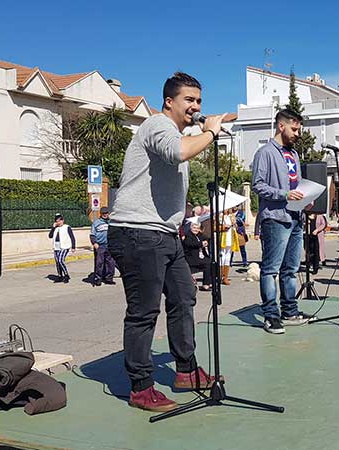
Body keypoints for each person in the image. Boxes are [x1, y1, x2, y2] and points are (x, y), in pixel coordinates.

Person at [107, 72, 225, 412]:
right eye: (189, 100)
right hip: (138, 232)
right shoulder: (157, 126)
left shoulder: (176, 134)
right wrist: (210, 131)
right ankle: (141, 387)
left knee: (183, 297)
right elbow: (177, 153)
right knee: (144, 311)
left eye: (199, 101)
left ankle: (186, 370)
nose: (196, 106)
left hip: (165, 234)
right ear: (169, 101)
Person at [251, 108, 313, 335]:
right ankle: (270, 315)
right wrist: (284, 195)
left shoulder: (294, 155)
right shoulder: (265, 152)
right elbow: (257, 185)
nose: (297, 133)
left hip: (296, 217)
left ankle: (290, 311)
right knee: (271, 270)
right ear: (281, 126)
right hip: (275, 218)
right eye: (294, 129)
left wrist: (304, 199)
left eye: (299, 129)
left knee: (291, 269)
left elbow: (294, 187)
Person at [89, 207, 116, 286]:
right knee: (99, 263)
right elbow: (92, 234)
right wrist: (94, 243)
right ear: (101, 214)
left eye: (106, 213)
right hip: (100, 246)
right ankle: (98, 278)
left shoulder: (111, 223)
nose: (105, 215)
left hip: (109, 245)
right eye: (103, 213)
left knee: (110, 263)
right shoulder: (96, 223)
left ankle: (109, 278)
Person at [183, 221, 212, 291]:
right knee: (207, 263)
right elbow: (190, 244)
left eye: (197, 228)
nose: (195, 229)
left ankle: (209, 282)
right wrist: (201, 244)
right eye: (194, 228)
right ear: (191, 228)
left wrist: (206, 241)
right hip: (192, 258)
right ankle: (206, 285)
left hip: (200, 256)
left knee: (212, 262)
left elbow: (206, 238)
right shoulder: (188, 236)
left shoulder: (199, 235)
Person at [49, 213, 76, 283]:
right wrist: (53, 227)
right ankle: (60, 276)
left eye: (59, 221)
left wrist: (73, 246)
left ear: (63, 220)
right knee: (57, 262)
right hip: (56, 247)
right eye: (57, 221)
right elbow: (50, 236)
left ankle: (66, 275)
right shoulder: (56, 228)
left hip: (65, 246)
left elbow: (72, 237)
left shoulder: (67, 227)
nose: (58, 222)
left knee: (61, 260)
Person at [219, 209, 238, 285]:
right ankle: (220, 276)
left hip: (231, 238)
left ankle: (225, 277)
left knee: (228, 256)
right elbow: (214, 227)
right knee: (222, 255)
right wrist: (223, 227)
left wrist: (234, 223)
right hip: (222, 238)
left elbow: (235, 227)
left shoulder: (231, 216)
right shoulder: (219, 216)